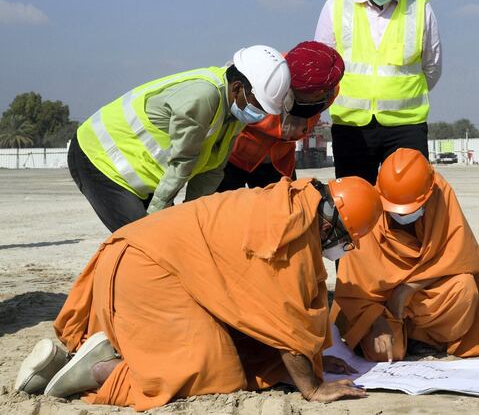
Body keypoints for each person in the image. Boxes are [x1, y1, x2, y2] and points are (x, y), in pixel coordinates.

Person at [13, 176, 383, 409]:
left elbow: (268, 314)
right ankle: (99, 371)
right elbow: (286, 323)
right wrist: (314, 387)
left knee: (246, 349)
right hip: (145, 270)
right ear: (329, 223)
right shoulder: (293, 231)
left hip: (138, 259)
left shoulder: (294, 202)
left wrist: (315, 356)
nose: (340, 249)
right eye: (345, 240)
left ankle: (63, 364)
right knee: (215, 373)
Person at [68, 45, 291, 232]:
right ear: (237, 87)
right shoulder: (202, 98)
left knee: (171, 239)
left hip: (141, 181)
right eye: (258, 106)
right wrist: (159, 216)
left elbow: (213, 169)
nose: (259, 115)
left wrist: (191, 219)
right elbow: (182, 162)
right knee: (145, 242)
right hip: (99, 160)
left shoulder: (234, 113)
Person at [332, 148, 479, 362]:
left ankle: (424, 339)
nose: (402, 215)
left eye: (410, 210)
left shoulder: (440, 195)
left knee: (465, 288)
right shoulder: (367, 209)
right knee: (386, 353)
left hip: (427, 294)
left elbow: (463, 258)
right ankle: (402, 336)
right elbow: (356, 289)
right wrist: (377, 319)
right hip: (381, 305)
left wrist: (405, 291)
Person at [314, 0, 442, 184]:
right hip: (352, 126)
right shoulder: (336, 7)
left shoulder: (420, 9)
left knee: (409, 204)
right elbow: (322, 67)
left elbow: (432, 67)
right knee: (355, 204)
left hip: (406, 126)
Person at [216, 41, 344, 191]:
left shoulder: (329, 88)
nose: (319, 96)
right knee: (223, 209)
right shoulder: (267, 73)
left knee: (283, 210)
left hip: (278, 162)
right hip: (234, 157)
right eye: (305, 96)